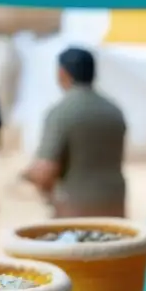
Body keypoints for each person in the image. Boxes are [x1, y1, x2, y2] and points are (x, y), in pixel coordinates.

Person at [23, 47, 127, 218]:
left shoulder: (62, 111)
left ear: (62, 73)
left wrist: (26, 176)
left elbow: (46, 170)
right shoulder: (114, 110)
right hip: (114, 206)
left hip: (75, 210)